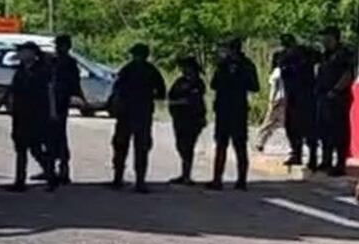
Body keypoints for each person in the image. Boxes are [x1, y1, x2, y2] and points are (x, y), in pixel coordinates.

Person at [110, 43, 166, 193]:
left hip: (126, 114)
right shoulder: (151, 70)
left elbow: (116, 89)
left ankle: (118, 178)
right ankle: (140, 181)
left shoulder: (127, 69)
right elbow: (161, 92)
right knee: (141, 148)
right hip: (143, 113)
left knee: (121, 145)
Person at [208, 38, 259, 190]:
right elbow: (214, 84)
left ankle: (235, 180)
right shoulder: (231, 65)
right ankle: (224, 179)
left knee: (234, 145)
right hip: (230, 109)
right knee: (228, 145)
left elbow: (254, 86)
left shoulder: (238, 65)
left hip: (233, 108)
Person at [7, 41, 57, 192]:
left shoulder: (42, 71)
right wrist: (10, 105)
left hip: (37, 115)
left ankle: (51, 177)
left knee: (36, 149)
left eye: (24, 52)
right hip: (20, 115)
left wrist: (52, 112)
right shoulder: (20, 71)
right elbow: (13, 91)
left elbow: (50, 92)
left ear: (32, 54)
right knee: (20, 148)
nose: (21, 55)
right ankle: (19, 182)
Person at [315, 26, 354, 176]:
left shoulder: (343, 54)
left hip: (338, 97)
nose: (323, 40)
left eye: (325, 36)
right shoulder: (326, 54)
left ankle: (340, 164)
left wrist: (336, 90)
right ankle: (326, 161)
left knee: (338, 132)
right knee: (324, 131)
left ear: (333, 37)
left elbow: (348, 74)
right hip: (323, 96)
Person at [276, 33, 317, 169]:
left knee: (309, 128)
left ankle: (312, 157)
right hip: (293, 95)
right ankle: (297, 153)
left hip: (306, 95)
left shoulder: (306, 53)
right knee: (292, 127)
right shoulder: (284, 57)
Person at [49, 34, 84, 184]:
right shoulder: (52, 61)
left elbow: (74, 82)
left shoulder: (69, 63)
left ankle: (63, 169)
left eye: (60, 45)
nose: (58, 48)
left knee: (59, 135)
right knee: (49, 136)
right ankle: (50, 168)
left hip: (60, 101)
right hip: (50, 101)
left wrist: (78, 96)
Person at [167, 56, 207, 185]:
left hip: (193, 119)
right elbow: (171, 96)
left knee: (188, 146)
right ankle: (183, 174)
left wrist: (180, 102)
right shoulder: (179, 82)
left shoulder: (198, 83)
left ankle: (187, 175)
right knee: (180, 146)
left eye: (186, 67)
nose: (184, 70)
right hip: (179, 118)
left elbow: (193, 100)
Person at [252, 52, 286, 154]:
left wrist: (271, 101)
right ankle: (261, 142)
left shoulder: (277, 71)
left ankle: (260, 142)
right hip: (284, 98)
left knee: (269, 121)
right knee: (277, 122)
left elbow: (274, 88)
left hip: (277, 99)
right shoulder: (284, 71)